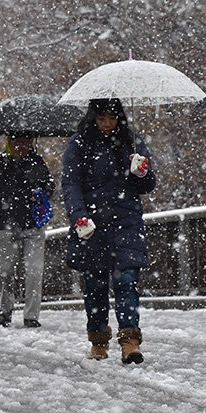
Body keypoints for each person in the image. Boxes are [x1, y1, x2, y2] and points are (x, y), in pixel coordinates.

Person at [62, 98, 156, 364]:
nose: (106, 124)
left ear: (119, 118)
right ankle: (99, 342)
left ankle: (130, 342)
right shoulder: (79, 144)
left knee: (126, 281)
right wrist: (79, 216)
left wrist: (141, 172)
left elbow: (147, 185)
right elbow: (70, 183)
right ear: (93, 117)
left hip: (126, 223)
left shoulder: (132, 142)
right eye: (101, 118)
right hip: (93, 225)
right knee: (95, 286)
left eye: (111, 118)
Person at [0, 131, 55, 328]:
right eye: (17, 142)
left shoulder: (37, 162)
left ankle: (31, 315)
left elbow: (50, 187)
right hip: (6, 224)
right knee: (4, 270)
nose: (21, 146)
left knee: (34, 271)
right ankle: (5, 310)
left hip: (33, 225)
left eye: (25, 142)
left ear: (31, 142)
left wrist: (40, 193)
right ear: (9, 142)